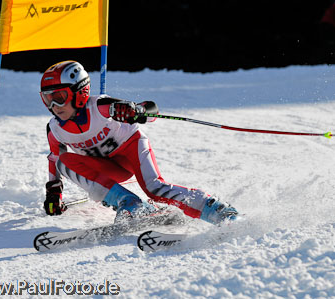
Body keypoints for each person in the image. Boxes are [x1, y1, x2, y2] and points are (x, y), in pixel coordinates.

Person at [40, 60, 239, 225]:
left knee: (155, 189)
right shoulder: (55, 128)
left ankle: (217, 210)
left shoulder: (101, 106)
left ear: (80, 92)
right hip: (109, 167)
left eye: (59, 97)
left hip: (131, 150)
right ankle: (129, 203)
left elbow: (152, 110)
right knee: (63, 161)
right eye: (47, 99)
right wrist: (53, 193)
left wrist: (136, 111)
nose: (54, 106)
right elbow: (55, 158)